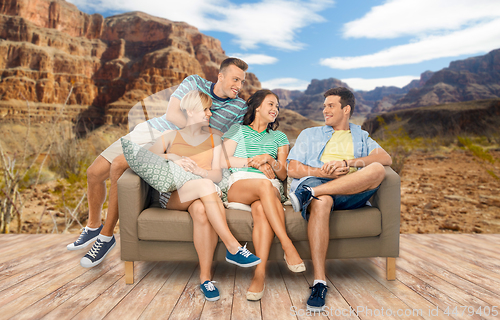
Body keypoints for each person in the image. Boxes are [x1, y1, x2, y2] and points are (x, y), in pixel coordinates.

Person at [66, 58, 249, 259]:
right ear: (220, 76)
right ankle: (93, 226)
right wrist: (201, 128)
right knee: (93, 173)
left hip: (185, 144)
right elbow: (171, 115)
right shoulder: (195, 82)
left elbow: (230, 139)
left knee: (119, 164)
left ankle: (106, 236)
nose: (239, 86)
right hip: (155, 130)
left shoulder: (239, 107)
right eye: (235, 79)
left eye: (242, 82)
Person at [148, 91, 261, 301]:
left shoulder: (215, 139)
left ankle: (205, 279)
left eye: (210, 109)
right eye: (205, 109)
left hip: (202, 192)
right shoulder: (170, 137)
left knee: (201, 211)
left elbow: (216, 175)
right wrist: (172, 156)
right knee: (205, 185)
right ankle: (233, 246)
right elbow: (145, 158)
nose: (209, 113)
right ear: (191, 111)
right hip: (175, 195)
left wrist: (200, 172)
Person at [287, 87, 392, 312]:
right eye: (324, 105)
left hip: (350, 191)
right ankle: (319, 283)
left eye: (330, 106)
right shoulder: (309, 134)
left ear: (346, 109)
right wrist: (323, 173)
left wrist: (348, 162)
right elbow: (292, 168)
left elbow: (386, 158)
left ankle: (309, 195)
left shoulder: (361, 135)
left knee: (376, 169)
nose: (324, 110)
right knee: (323, 200)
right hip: (318, 182)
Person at [223, 89, 305, 301]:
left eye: (277, 106)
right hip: (240, 184)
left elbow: (283, 173)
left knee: (261, 207)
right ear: (257, 107)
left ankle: (259, 275)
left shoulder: (279, 137)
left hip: (269, 187)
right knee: (263, 185)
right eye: (271, 104)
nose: (275, 109)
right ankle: (287, 244)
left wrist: (268, 158)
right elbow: (223, 160)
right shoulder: (237, 130)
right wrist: (252, 161)